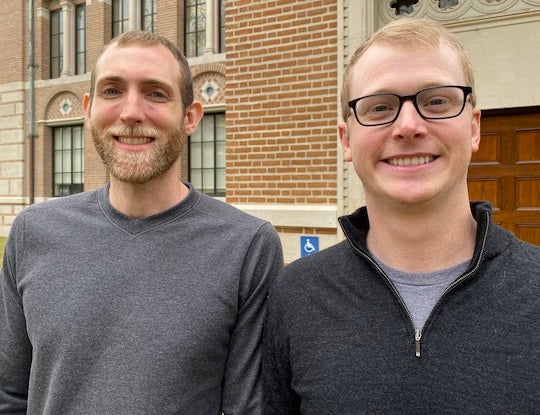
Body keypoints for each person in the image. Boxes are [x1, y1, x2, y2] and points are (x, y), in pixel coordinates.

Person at [263, 18, 539, 414]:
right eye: (380, 107)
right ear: (347, 140)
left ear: (474, 127)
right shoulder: (295, 296)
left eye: (437, 101)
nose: (408, 126)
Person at [0, 31, 283, 415]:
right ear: (88, 110)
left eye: (156, 93)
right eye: (112, 91)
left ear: (190, 117)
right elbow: (10, 395)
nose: (131, 112)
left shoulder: (247, 246)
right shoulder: (33, 232)